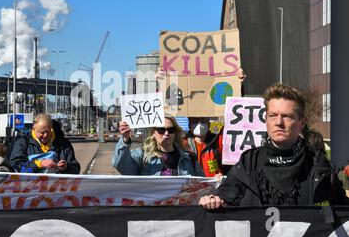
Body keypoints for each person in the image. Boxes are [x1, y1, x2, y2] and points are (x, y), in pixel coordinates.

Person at [199, 83, 348, 209]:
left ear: (302, 122)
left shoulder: (319, 166)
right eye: (273, 115)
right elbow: (224, 197)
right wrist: (212, 201)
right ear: (266, 120)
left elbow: (343, 212)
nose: (278, 122)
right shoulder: (248, 162)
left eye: (286, 116)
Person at [112, 115, 204, 176]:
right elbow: (121, 165)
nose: (166, 133)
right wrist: (125, 139)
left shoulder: (189, 159)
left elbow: (202, 185)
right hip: (152, 205)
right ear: (153, 133)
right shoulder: (143, 156)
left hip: (180, 205)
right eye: (161, 130)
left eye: (171, 130)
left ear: (175, 133)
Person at [10, 113, 80, 174]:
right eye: (42, 132)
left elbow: (76, 169)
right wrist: (39, 164)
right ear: (33, 128)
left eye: (48, 131)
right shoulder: (22, 143)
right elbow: (16, 167)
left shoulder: (63, 144)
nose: (45, 135)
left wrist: (66, 167)